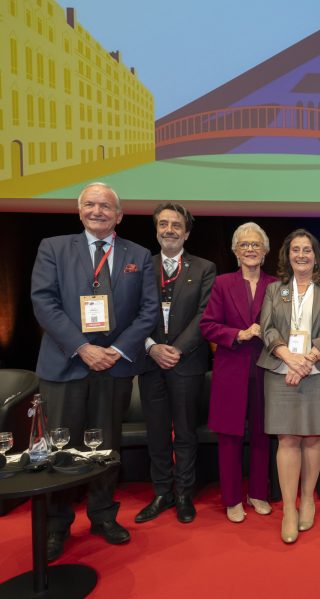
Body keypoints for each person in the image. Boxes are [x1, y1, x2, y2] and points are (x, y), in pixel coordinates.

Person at [31, 182, 157, 561]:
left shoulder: (139, 255)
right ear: (80, 211)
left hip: (113, 368)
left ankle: (103, 515)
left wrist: (115, 350)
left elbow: (148, 310)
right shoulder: (53, 247)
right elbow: (44, 302)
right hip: (66, 364)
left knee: (105, 449)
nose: (98, 210)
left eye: (106, 206)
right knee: (60, 449)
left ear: (119, 215)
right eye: (90, 204)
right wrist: (83, 348)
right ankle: (56, 524)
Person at [258, 229, 320, 543]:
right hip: (280, 370)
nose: (301, 255)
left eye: (307, 250)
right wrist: (289, 358)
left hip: (318, 370)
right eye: (295, 250)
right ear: (288, 255)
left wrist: (306, 360)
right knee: (287, 438)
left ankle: (307, 499)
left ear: (315, 255)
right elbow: (266, 329)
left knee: (312, 437)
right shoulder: (273, 290)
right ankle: (289, 510)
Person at [136, 203, 216, 525]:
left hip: (187, 363)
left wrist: (176, 350)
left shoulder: (204, 267)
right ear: (156, 229)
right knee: (156, 432)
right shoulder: (141, 266)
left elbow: (205, 314)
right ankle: (161, 492)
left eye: (176, 225)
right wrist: (153, 347)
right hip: (149, 361)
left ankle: (184, 492)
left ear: (187, 231)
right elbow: (132, 313)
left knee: (184, 432)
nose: (169, 230)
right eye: (164, 224)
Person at [199, 223, 277, 523]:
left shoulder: (277, 284)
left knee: (262, 433)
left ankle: (258, 493)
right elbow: (207, 325)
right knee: (229, 436)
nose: (250, 249)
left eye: (256, 244)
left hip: (266, 369)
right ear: (234, 251)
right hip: (230, 369)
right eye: (244, 244)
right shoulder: (222, 283)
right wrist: (238, 334)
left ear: (265, 250)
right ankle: (231, 499)